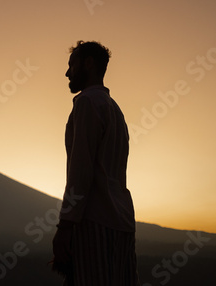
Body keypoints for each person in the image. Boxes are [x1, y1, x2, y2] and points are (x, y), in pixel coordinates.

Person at [52, 41, 139, 285]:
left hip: (95, 221)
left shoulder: (87, 103)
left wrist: (65, 226)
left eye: (72, 65)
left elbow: (80, 173)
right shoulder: (114, 109)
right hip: (121, 221)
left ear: (88, 63)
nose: (67, 73)